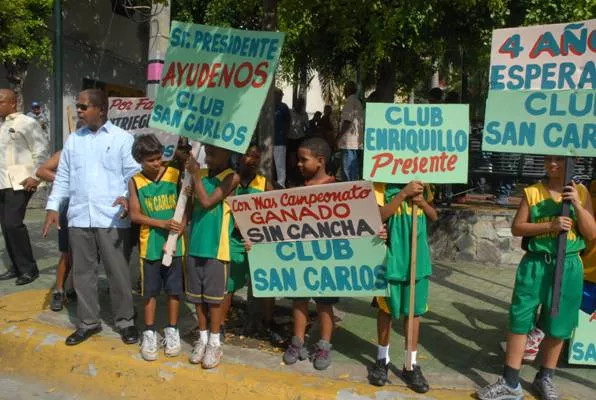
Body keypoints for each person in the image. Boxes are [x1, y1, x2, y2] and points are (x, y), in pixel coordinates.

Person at [476, 156, 595, 400]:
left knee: (559, 323)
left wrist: (577, 207)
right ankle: (510, 381)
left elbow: (591, 233)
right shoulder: (533, 192)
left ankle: (546, 377)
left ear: (571, 162)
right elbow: (517, 228)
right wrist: (550, 225)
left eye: (558, 160)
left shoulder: (581, 192)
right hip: (536, 263)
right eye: (548, 159)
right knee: (520, 318)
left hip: (569, 264)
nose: (551, 164)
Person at [43, 88, 141, 346]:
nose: (79, 111)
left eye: (84, 107)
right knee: (83, 272)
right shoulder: (74, 140)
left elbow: (133, 174)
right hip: (79, 216)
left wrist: (127, 199)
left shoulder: (122, 139)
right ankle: (88, 322)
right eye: (78, 106)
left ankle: (125, 321)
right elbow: (63, 176)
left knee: (117, 272)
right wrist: (53, 207)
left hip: (112, 217)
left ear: (101, 110)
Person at [368, 182, 438, 393]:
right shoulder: (380, 186)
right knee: (386, 310)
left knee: (414, 313)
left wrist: (423, 202)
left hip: (417, 262)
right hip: (390, 259)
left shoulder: (425, 186)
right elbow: (378, 216)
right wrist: (403, 194)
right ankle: (382, 360)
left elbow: (433, 216)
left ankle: (411, 363)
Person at [128, 134, 186, 361]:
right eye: (151, 160)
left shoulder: (174, 174)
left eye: (159, 157)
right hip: (150, 244)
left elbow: (185, 204)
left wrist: (182, 225)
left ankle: (172, 330)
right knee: (150, 292)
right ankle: (150, 332)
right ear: (140, 160)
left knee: (174, 291)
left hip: (174, 244)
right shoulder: (135, 181)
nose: (156, 163)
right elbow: (134, 215)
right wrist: (160, 223)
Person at [282, 137, 338, 370]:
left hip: (329, 257)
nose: (298, 164)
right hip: (301, 256)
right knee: (299, 300)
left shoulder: (340, 189)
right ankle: (297, 342)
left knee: (324, 304)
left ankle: (324, 346)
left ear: (320, 161)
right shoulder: (295, 191)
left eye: (303, 160)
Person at [186, 144, 239, 369]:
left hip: (217, 248)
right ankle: (204, 338)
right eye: (207, 152)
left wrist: (196, 179)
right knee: (197, 298)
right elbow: (192, 208)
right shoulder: (202, 174)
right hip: (195, 244)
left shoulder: (232, 177)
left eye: (213, 153)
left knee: (214, 300)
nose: (209, 156)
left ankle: (215, 342)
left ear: (228, 153)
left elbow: (207, 202)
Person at [223, 144, 281, 342]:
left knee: (264, 282)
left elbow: (273, 211)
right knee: (229, 284)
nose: (254, 160)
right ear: (239, 157)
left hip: (258, 242)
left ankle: (267, 322)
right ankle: (220, 324)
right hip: (235, 240)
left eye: (257, 156)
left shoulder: (264, 183)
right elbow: (228, 207)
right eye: (250, 156)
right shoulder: (232, 180)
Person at [0, 89, 49, 285]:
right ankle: (17, 266)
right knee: (6, 225)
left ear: (13, 103)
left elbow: (41, 150)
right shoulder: (2, 125)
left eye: (0, 101)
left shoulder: (27, 123)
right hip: (2, 182)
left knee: (13, 223)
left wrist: (35, 176)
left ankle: (29, 269)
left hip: (20, 181)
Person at [337, 81, 363, 182]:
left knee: (347, 171)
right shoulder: (357, 101)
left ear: (346, 90)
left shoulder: (350, 101)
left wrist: (338, 137)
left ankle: (349, 191)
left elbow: (347, 121)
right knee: (353, 170)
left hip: (348, 141)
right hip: (356, 141)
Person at [273, 88, 291, 188]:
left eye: (279, 94)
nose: (278, 96)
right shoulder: (269, 106)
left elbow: (288, 122)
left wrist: (285, 135)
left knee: (280, 165)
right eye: (275, 94)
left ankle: (281, 184)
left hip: (279, 140)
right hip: (268, 141)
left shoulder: (283, 107)